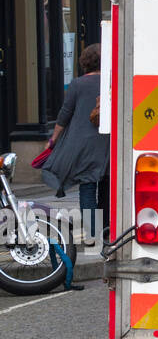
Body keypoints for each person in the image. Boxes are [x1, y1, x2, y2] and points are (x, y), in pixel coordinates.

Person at [42, 44, 110, 245]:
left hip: (84, 145)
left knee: (87, 187)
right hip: (108, 142)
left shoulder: (77, 84)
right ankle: (106, 229)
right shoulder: (112, 82)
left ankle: (91, 234)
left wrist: (53, 139)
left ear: (85, 62)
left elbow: (65, 114)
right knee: (106, 186)